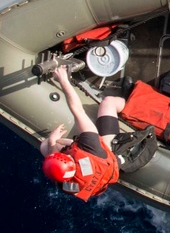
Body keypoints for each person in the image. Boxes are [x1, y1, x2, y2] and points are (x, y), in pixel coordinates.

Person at [40, 65, 126, 201]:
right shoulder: (91, 146)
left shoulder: (66, 185)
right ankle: (129, 101)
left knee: (45, 146)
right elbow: (77, 110)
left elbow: (52, 155)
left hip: (97, 179)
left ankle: (54, 144)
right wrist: (63, 79)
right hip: (108, 158)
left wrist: (52, 143)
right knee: (109, 103)